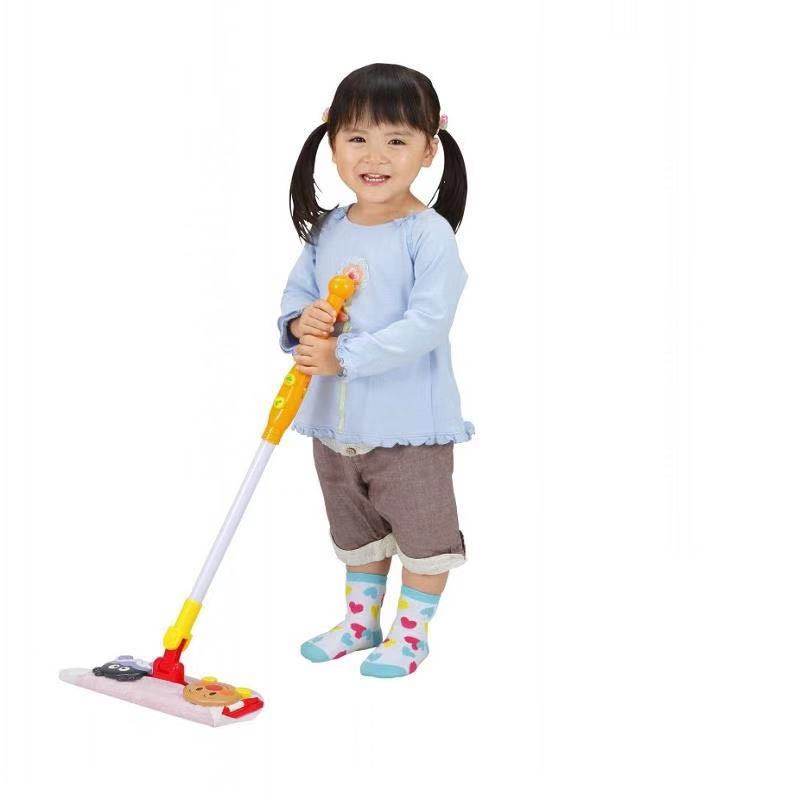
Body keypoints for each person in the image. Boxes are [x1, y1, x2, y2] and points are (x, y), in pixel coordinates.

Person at [277, 63, 473, 678]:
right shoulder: (329, 229)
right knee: (354, 528)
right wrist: (301, 323)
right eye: (358, 137)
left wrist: (345, 356)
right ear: (331, 141)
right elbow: (296, 294)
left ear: (429, 149)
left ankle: (410, 635)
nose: (375, 156)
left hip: (407, 425)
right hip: (335, 424)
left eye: (397, 140)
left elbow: (427, 323)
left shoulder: (428, 235)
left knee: (422, 532)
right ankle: (360, 623)